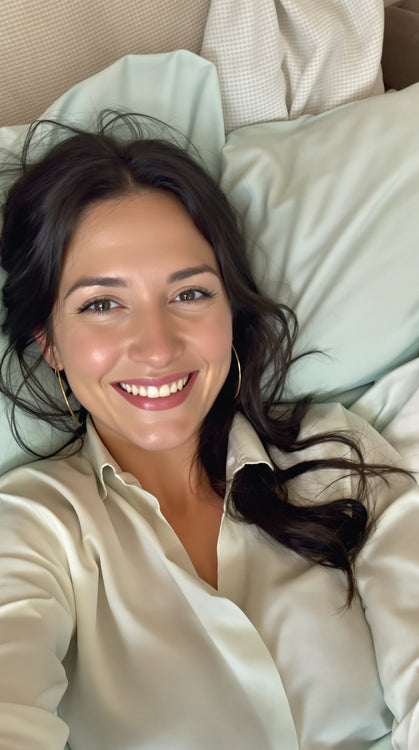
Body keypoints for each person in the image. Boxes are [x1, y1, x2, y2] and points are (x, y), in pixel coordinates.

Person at [0, 111, 418, 750]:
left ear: (231, 310)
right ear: (49, 342)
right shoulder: (33, 528)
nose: (157, 347)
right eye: (102, 304)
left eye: (189, 294)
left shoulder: (338, 456)